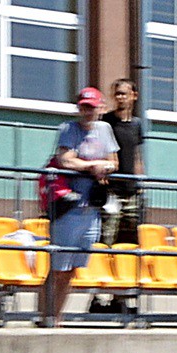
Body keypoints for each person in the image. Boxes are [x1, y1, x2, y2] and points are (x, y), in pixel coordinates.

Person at [41, 87, 117, 327]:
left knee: (73, 268)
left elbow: (114, 162)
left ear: (101, 109)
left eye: (92, 107)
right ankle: (45, 316)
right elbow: (65, 159)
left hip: (91, 207)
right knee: (58, 267)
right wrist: (94, 165)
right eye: (84, 107)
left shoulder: (105, 129)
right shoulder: (68, 129)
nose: (87, 112)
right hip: (68, 205)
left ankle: (56, 315)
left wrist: (102, 167)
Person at [98, 78, 146, 313]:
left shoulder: (137, 124)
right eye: (116, 93)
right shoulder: (106, 122)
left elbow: (136, 155)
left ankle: (121, 298)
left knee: (128, 244)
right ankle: (98, 298)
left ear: (134, 96)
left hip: (132, 192)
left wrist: (141, 183)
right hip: (112, 192)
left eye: (124, 93)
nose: (119, 98)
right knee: (106, 241)